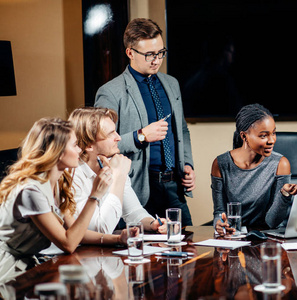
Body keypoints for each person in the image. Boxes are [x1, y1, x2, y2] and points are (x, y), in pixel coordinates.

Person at [0, 118, 128, 286]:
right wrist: (94, 196)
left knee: (92, 282)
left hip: (31, 264)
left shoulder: (58, 181)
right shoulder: (31, 191)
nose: (80, 149)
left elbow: (75, 231)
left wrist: (119, 239)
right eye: (75, 145)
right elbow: (69, 243)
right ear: (58, 152)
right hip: (7, 270)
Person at [95, 18, 195, 226]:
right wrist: (140, 136)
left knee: (188, 248)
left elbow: (182, 130)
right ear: (130, 53)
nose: (157, 60)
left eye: (160, 53)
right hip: (137, 187)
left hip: (173, 186)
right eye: (149, 54)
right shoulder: (110, 92)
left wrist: (187, 164)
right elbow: (100, 145)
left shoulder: (171, 83)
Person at [69, 107, 167, 234]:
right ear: (88, 145)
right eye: (110, 134)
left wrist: (152, 223)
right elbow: (100, 229)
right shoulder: (72, 175)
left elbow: (133, 211)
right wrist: (118, 176)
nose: (119, 138)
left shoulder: (112, 164)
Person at [212, 104, 297, 235]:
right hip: (234, 237)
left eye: (273, 133)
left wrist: (284, 195)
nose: (272, 140)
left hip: (268, 239)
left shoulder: (281, 164)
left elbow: (272, 222)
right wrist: (219, 224)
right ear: (244, 136)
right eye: (263, 136)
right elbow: (219, 212)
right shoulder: (221, 164)